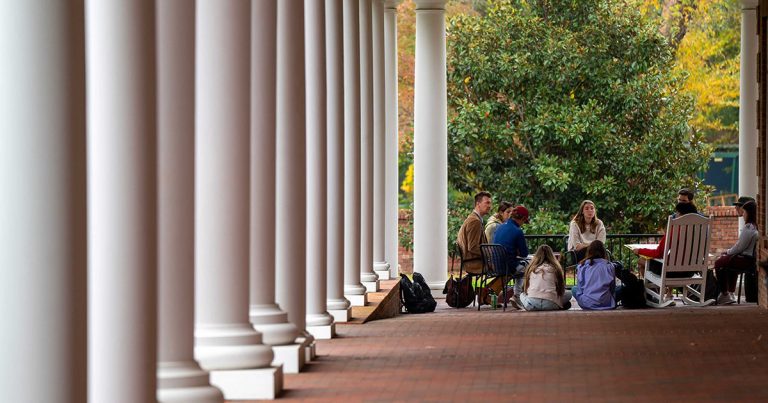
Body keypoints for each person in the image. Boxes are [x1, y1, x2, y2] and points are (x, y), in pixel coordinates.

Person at [715, 200, 759, 305]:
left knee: (719, 263)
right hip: (748, 258)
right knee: (728, 263)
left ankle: (725, 294)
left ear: (749, 213)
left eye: (744, 212)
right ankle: (730, 292)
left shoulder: (749, 228)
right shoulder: (755, 226)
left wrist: (727, 252)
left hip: (746, 260)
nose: (743, 215)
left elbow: (739, 247)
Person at [492, 205, 531, 303]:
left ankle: (517, 296)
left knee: (523, 267)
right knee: (533, 264)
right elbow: (524, 253)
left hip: (495, 265)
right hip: (509, 267)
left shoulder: (500, 227)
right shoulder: (518, 231)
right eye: (524, 221)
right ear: (522, 218)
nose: (522, 224)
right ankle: (518, 296)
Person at [520, 245, 572, 311]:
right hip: (551, 303)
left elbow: (525, 289)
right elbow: (561, 289)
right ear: (551, 255)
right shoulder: (556, 268)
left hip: (532, 303)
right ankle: (559, 305)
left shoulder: (531, 269)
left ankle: (528, 305)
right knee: (569, 294)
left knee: (522, 295)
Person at [455, 191, 492, 276]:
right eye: (487, 203)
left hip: (473, 261)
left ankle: (489, 289)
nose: (489, 206)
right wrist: (489, 255)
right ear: (478, 204)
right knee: (507, 267)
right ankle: (490, 289)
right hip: (474, 263)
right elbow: (473, 247)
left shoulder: (474, 218)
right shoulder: (475, 221)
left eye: (490, 203)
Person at [572, 240, 616, 310]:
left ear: (589, 251)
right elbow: (612, 287)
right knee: (619, 289)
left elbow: (580, 288)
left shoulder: (582, 265)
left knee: (574, 288)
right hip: (606, 302)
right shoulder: (609, 265)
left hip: (587, 303)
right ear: (603, 251)